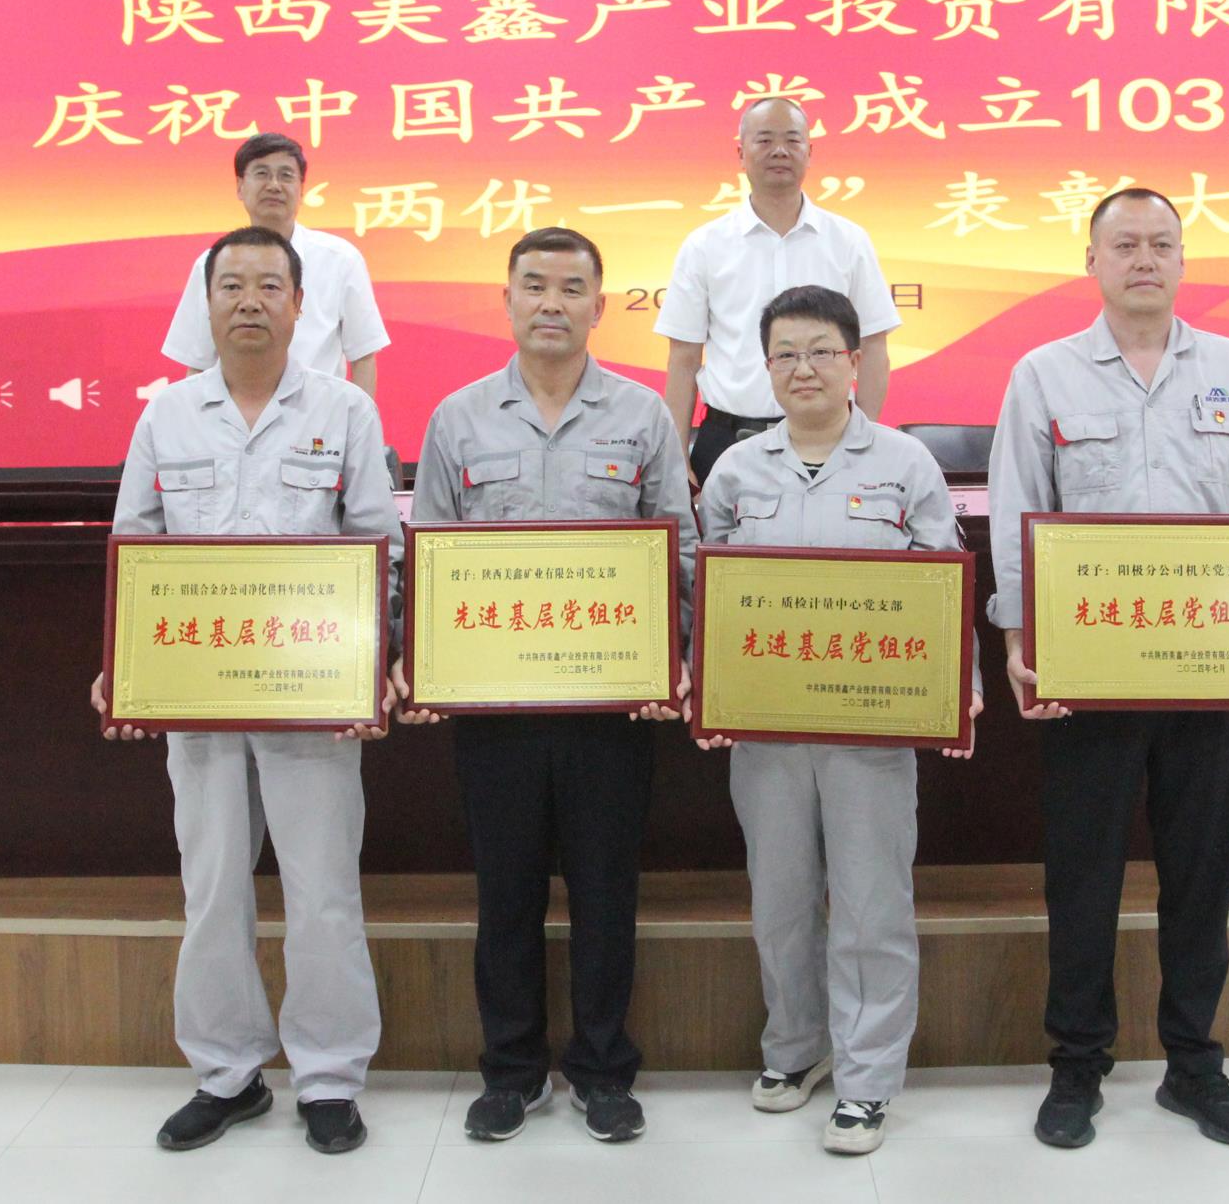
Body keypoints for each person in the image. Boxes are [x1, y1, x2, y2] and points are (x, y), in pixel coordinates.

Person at [986, 188, 1229, 1152]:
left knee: (1201, 875)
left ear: (1183, 261)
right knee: (1083, 875)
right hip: (1089, 669)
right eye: (1125, 244)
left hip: (1213, 666)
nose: (1144, 258)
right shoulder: (1043, 374)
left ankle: (1193, 1064)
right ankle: (1077, 1063)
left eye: (1161, 244)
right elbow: (1016, 510)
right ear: (1090, 260)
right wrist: (1017, 639)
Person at [90, 224, 406, 1155]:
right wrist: (122, 665)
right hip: (201, 698)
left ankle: (329, 1077)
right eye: (232, 285)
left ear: (302, 305)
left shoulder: (345, 409)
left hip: (314, 698)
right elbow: (135, 545)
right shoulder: (166, 415)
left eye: (271, 285)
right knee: (214, 888)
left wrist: (378, 666)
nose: (250, 302)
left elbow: (380, 547)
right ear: (206, 304)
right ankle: (226, 1074)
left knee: (323, 892)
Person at [404, 227, 698, 1145]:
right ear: (507, 300)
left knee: (607, 892)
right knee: (507, 894)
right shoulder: (458, 418)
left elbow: (681, 552)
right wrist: (425, 659)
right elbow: (427, 556)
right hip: (495, 710)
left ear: (600, 307)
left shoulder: (643, 415)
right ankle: (512, 1071)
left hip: (611, 707)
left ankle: (604, 1071)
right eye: (534, 286)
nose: (552, 304)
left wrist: (674, 659)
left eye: (572, 289)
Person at [691, 285, 980, 1157]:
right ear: (764, 367)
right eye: (785, 354)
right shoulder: (736, 471)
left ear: (855, 361)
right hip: (767, 732)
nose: (803, 368)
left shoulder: (905, 464)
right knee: (779, 901)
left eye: (821, 351)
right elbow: (709, 599)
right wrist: (707, 691)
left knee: (869, 905)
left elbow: (945, 584)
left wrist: (958, 686)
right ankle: (795, 1049)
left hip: (872, 731)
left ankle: (867, 1080)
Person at [655, 97, 900, 485]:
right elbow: (683, 360)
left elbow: (872, 348)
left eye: (792, 140)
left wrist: (864, 442)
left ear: (810, 151)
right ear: (741, 153)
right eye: (765, 140)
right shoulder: (705, 245)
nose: (780, 151)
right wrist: (675, 456)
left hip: (830, 439)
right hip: (728, 438)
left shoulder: (848, 241)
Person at [162, 133, 391, 397]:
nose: (274, 185)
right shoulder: (212, 263)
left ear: (302, 190)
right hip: (232, 416)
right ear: (240, 187)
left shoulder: (341, 259)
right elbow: (198, 363)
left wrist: (361, 421)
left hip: (319, 416)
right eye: (262, 173)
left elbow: (363, 356)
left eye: (286, 175)